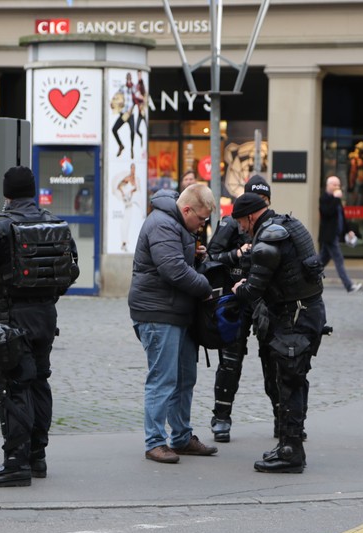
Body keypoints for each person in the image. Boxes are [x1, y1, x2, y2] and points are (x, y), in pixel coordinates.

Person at [0, 166, 79, 487]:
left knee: (13, 387)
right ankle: (36, 457)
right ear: (33, 191)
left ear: (6, 194)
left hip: (10, 319)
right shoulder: (54, 223)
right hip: (45, 316)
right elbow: (72, 271)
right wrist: (48, 297)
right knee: (40, 381)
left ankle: (15, 463)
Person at [230, 191, 326, 474]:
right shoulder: (289, 225)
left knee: (289, 384)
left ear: (250, 216)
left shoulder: (269, 239)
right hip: (307, 314)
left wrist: (239, 288)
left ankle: (290, 452)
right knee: (293, 380)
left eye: (241, 222)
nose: (241, 229)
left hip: (293, 319)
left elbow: (252, 291)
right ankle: (289, 444)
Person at [129, 184, 218, 464]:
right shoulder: (162, 224)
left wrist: (194, 254)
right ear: (187, 209)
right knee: (163, 380)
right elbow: (172, 269)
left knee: (184, 379)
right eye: (201, 219)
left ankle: (180, 437)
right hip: (158, 314)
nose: (202, 225)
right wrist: (205, 287)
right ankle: (155, 442)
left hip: (175, 313)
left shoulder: (176, 224)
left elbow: (175, 262)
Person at [205, 175, 272, 442]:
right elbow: (211, 257)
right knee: (231, 361)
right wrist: (237, 254)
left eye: (265, 200)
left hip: (264, 297)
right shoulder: (231, 223)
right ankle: (221, 417)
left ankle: (284, 418)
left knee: (275, 358)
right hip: (235, 297)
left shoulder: (273, 224)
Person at [318, 176, 361, 293]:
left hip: (335, 235)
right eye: (334, 185)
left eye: (338, 185)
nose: (337, 187)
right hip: (329, 236)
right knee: (339, 260)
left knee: (321, 261)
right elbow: (327, 212)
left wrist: (349, 231)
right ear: (328, 186)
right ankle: (349, 285)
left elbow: (341, 216)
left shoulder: (336, 200)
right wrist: (336, 199)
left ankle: (307, 277)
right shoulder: (324, 198)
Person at [111, 72, 136, 158]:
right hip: (123, 113)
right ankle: (120, 145)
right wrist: (115, 104)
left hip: (130, 114)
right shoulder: (123, 88)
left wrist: (131, 110)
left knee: (133, 131)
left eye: (130, 78)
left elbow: (136, 100)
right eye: (127, 78)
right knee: (114, 129)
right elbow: (116, 97)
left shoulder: (134, 88)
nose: (129, 80)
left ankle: (132, 148)